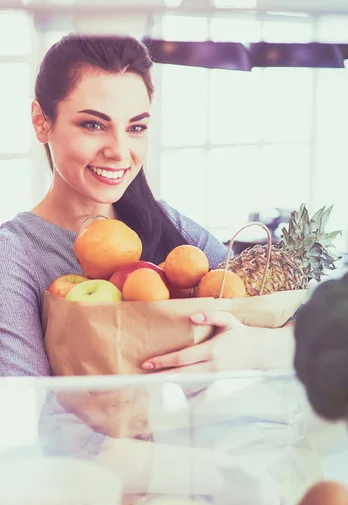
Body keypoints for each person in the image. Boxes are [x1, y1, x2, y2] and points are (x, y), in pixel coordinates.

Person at [0, 33, 295, 379]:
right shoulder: (14, 256)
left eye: (136, 127)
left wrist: (251, 348)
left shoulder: (168, 224)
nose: (120, 151)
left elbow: (307, 327)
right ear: (41, 120)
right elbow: (21, 404)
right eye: (94, 124)